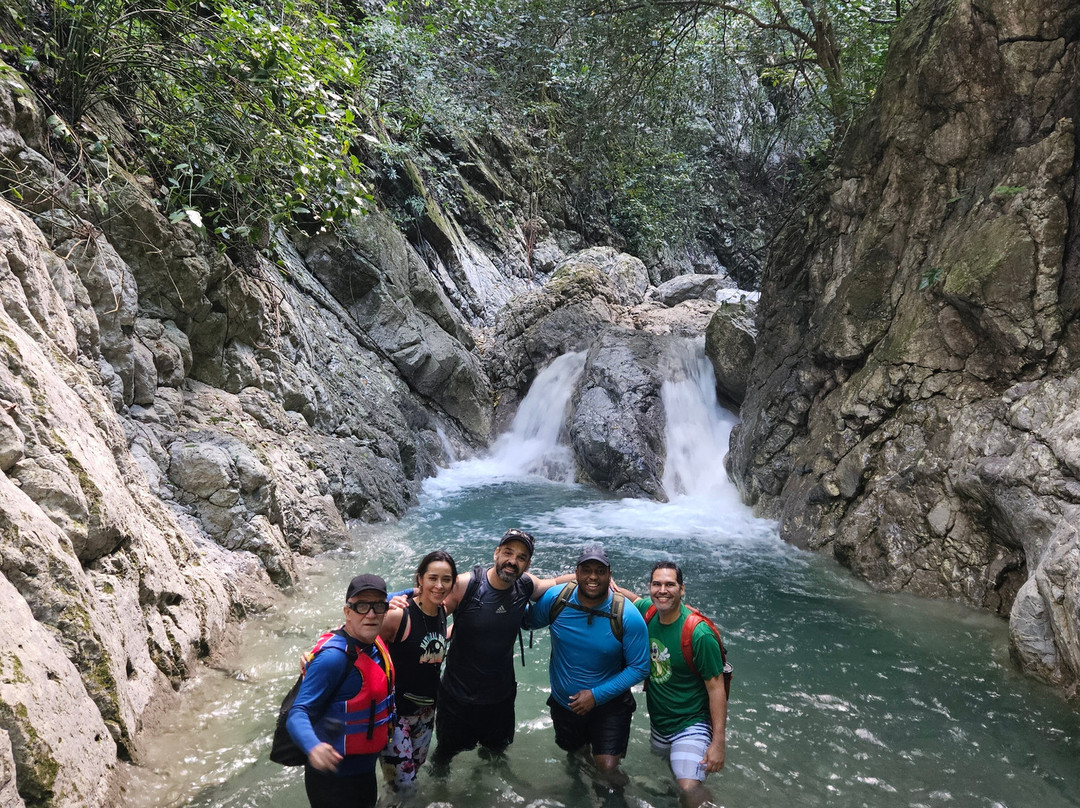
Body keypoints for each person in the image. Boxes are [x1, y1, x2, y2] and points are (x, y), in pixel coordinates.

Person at [428, 528, 568, 771]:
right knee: (444, 757)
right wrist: (397, 603)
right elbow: (428, 613)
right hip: (457, 698)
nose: (513, 561)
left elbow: (555, 583)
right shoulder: (465, 585)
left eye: (521, 557)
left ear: (527, 564)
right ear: (496, 553)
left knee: (495, 756)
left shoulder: (525, 585)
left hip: (500, 699)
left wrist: (590, 577)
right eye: (508, 552)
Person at [526, 545, 649, 786]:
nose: (593, 577)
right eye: (587, 570)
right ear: (577, 573)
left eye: (600, 571)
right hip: (566, 704)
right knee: (577, 756)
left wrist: (595, 695)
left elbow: (640, 667)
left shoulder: (626, 614)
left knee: (608, 769)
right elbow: (526, 621)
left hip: (610, 706)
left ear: (609, 575)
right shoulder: (557, 599)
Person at [615, 561, 728, 808]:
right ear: (650, 587)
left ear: (682, 589)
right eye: (657, 584)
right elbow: (630, 599)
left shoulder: (699, 634)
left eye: (670, 584)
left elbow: (716, 688)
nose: (662, 590)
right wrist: (601, 583)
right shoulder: (649, 612)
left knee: (689, 786)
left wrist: (718, 743)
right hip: (661, 723)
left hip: (691, 723)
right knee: (678, 781)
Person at [286, 574, 396, 808]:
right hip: (332, 782)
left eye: (378, 606)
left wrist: (408, 594)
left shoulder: (373, 641)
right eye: (362, 606)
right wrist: (313, 746)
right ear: (347, 612)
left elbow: (382, 604)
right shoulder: (333, 659)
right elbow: (298, 713)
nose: (371, 614)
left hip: (364, 772)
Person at [378, 550, 456, 792]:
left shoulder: (442, 612)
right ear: (420, 579)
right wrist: (318, 654)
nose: (439, 585)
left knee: (413, 771)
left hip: (426, 712)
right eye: (432, 578)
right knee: (405, 787)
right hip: (396, 715)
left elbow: (434, 641)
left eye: (446, 579)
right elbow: (358, 634)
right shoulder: (398, 615)